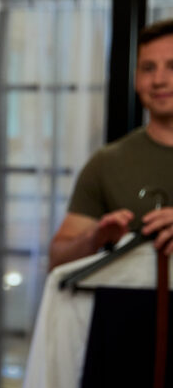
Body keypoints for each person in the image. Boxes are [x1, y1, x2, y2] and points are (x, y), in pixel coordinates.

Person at [49, 18, 173, 269]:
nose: (159, 80)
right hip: (131, 307)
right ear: (137, 79)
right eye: (148, 68)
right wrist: (95, 237)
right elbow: (57, 260)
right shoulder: (107, 163)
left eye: (172, 66)